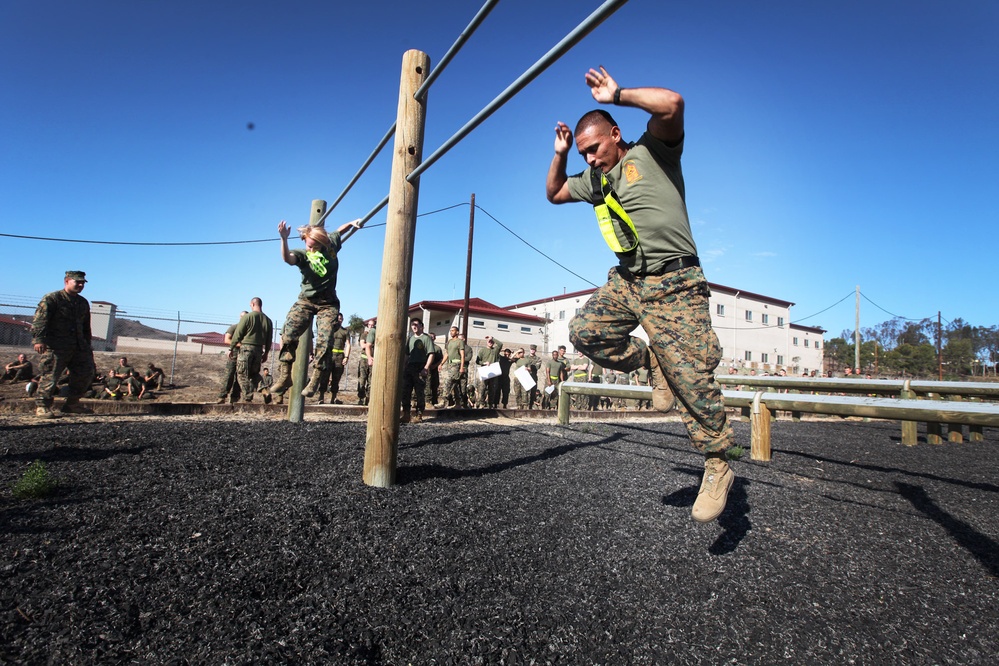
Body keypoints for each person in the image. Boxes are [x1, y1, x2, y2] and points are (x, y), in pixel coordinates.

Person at [545, 65, 735, 523]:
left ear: (615, 135)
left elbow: (673, 104)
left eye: (594, 150)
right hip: (629, 280)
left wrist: (619, 94)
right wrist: (561, 153)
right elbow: (553, 193)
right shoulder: (594, 182)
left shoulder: (654, 152)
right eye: (585, 154)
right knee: (585, 331)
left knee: (691, 377)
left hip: (676, 283)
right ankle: (650, 363)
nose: (590, 160)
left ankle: (717, 463)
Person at [271, 217, 361, 403]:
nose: (310, 249)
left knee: (325, 339)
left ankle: (315, 379)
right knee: (288, 332)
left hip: (328, 304)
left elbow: (339, 230)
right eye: (308, 245)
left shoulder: (330, 246)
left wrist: (352, 223)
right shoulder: (303, 255)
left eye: (314, 246)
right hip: (306, 301)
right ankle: (285, 374)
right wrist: (283, 239)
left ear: (322, 243)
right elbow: (288, 259)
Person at [31, 270, 97, 418]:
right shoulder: (52, 298)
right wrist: (39, 339)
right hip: (56, 345)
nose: (80, 285)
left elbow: (86, 326)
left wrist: (87, 344)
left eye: (82, 283)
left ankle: (72, 404)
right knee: (50, 375)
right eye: (77, 282)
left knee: (86, 373)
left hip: (79, 346)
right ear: (66, 281)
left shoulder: (82, 302)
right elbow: (40, 320)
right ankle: (43, 406)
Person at [230, 297, 273, 403]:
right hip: (259, 350)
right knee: (254, 374)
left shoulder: (247, 317)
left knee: (242, 374)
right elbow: (269, 339)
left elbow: (238, 334)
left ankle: (247, 398)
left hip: (246, 349)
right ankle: (264, 390)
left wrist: (231, 347)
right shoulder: (268, 320)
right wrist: (266, 352)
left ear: (252, 304)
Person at [304, 311, 350, 404]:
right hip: (328, 356)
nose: (339, 320)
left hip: (339, 357)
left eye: (341, 319)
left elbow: (348, 345)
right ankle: (321, 397)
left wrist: (346, 357)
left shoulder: (345, 331)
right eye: (338, 318)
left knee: (336, 378)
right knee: (324, 377)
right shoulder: (329, 329)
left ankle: (334, 398)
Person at [401, 318, 435, 423]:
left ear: (421, 326)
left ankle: (419, 415)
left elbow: (431, 354)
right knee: (406, 391)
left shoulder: (426, 338)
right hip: (410, 367)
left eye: (416, 324)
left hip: (420, 367)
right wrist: (404, 367)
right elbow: (407, 354)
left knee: (419, 392)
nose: (414, 326)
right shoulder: (410, 339)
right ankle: (406, 414)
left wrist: (426, 367)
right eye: (412, 325)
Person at [215, 312, 246, 404]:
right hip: (235, 353)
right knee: (229, 374)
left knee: (240, 377)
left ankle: (235, 398)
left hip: (244, 354)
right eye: (242, 317)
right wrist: (240, 345)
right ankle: (222, 396)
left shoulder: (249, 330)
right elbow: (227, 339)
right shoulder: (234, 327)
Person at [439, 326, 467, 408]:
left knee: (448, 382)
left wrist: (462, 367)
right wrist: (441, 364)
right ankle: (458, 403)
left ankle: (443, 401)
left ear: (457, 332)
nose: (451, 332)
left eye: (453, 331)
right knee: (454, 385)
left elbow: (462, 355)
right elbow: (447, 354)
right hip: (450, 364)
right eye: (450, 331)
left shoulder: (460, 342)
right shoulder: (449, 342)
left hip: (456, 364)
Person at [475, 336, 504, 409]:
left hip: (493, 371)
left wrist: (492, 338)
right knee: (482, 388)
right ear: (486, 342)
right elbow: (477, 361)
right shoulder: (482, 350)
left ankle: (490, 404)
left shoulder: (495, 350)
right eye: (489, 341)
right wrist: (484, 363)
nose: (490, 343)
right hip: (484, 371)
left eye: (492, 342)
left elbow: (500, 344)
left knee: (492, 389)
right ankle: (481, 403)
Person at [357, 319, 376, 406]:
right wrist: (370, 343)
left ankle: (368, 398)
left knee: (371, 381)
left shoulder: (375, 334)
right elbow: (363, 345)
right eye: (369, 325)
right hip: (364, 359)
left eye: (373, 325)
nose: (371, 327)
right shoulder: (364, 335)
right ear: (367, 325)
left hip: (373, 360)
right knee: (362, 379)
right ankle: (361, 398)